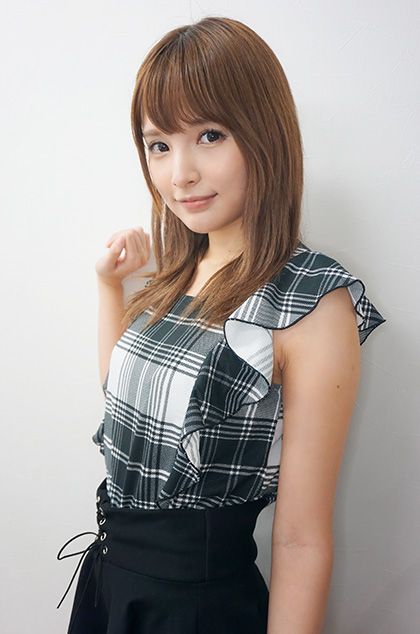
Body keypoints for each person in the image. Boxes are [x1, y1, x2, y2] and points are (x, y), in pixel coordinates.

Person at [56, 15, 386, 634]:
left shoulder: (309, 299)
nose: (180, 173)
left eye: (209, 135)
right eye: (159, 144)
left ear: (264, 134)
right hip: (111, 588)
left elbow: (300, 539)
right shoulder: (176, 273)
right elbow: (128, 410)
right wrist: (108, 288)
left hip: (198, 611)